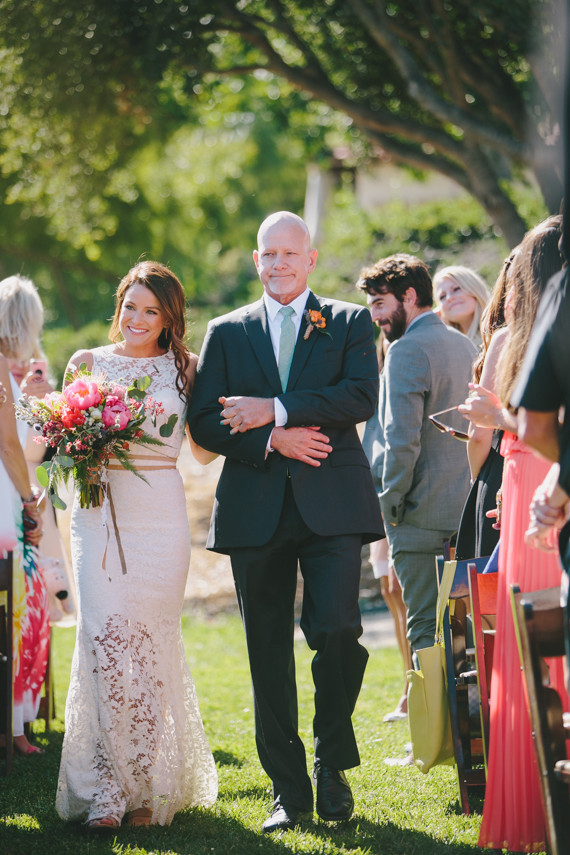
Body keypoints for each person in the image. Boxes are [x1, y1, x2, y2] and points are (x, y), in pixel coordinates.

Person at [188, 211, 383, 833]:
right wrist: (274, 442)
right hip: (255, 510)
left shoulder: (350, 321)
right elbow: (205, 422)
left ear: (311, 259)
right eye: (267, 254)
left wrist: (275, 411)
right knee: (265, 651)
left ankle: (331, 761)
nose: (278, 264)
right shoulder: (226, 330)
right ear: (255, 260)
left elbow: (359, 396)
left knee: (338, 632)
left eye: (289, 254)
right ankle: (288, 788)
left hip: (332, 505)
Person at [56, 261, 218, 829]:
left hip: (161, 517)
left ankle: (146, 786)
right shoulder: (86, 364)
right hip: (99, 515)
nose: (138, 319)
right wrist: (84, 442)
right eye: (131, 306)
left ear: (170, 318)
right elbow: (62, 451)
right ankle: (104, 789)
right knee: (103, 646)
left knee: (149, 650)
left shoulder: (186, 368)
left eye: (152, 311)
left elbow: (201, 450)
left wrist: (237, 412)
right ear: (119, 305)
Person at [459, 215, 568, 852]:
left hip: (531, 485)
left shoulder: (506, 342)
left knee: (531, 650)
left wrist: (497, 430)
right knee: (550, 638)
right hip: (544, 485)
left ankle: (532, 804)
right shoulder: (517, 341)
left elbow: (503, 429)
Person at [356, 254, 476, 655]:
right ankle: (473, 717)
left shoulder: (405, 351)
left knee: (425, 626)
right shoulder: (465, 345)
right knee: (468, 628)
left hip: (418, 517)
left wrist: (389, 506)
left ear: (409, 296)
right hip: (466, 513)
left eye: (380, 303)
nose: (376, 316)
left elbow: (400, 440)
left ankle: (436, 721)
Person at [0, 274, 46, 755]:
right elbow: (10, 446)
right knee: (17, 608)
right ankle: (13, 725)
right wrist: (29, 502)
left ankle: (12, 725)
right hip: (4, 499)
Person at [362, 335, 412, 722]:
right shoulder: (379, 370)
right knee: (390, 591)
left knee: (403, 590)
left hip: (401, 493)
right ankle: (408, 682)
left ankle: (416, 688)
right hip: (375, 486)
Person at [433, 265, 489, 347]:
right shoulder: (446, 347)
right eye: (442, 296)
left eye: (456, 289)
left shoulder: (497, 335)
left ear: (475, 290)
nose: (449, 298)